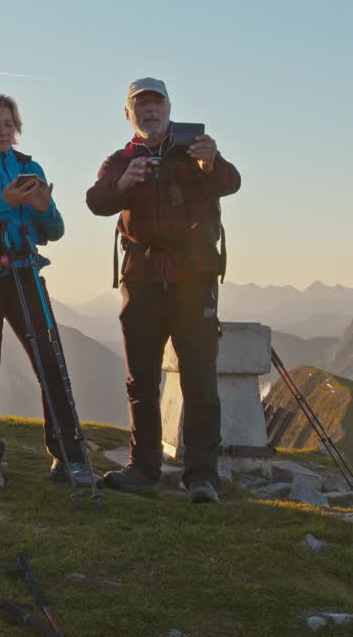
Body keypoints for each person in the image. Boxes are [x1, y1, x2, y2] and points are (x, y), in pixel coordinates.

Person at [85, 78, 241, 504]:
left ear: (170, 108)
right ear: (128, 114)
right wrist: (122, 185)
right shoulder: (121, 160)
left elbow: (231, 182)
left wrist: (211, 164)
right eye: (141, 105)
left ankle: (202, 475)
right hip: (142, 279)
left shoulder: (196, 150)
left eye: (157, 104)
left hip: (194, 279)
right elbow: (96, 201)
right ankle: (144, 468)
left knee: (200, 378)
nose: (150, 111)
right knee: (141, 379)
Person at [0, 91, 101, 492]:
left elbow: (55, 231)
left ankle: (69, 457)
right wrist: (6, 202)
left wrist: (44, 206)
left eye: (7, 123)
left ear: (17, 126)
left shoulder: (30, 166)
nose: (1, 131)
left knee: (51, 360)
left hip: (24, 270)